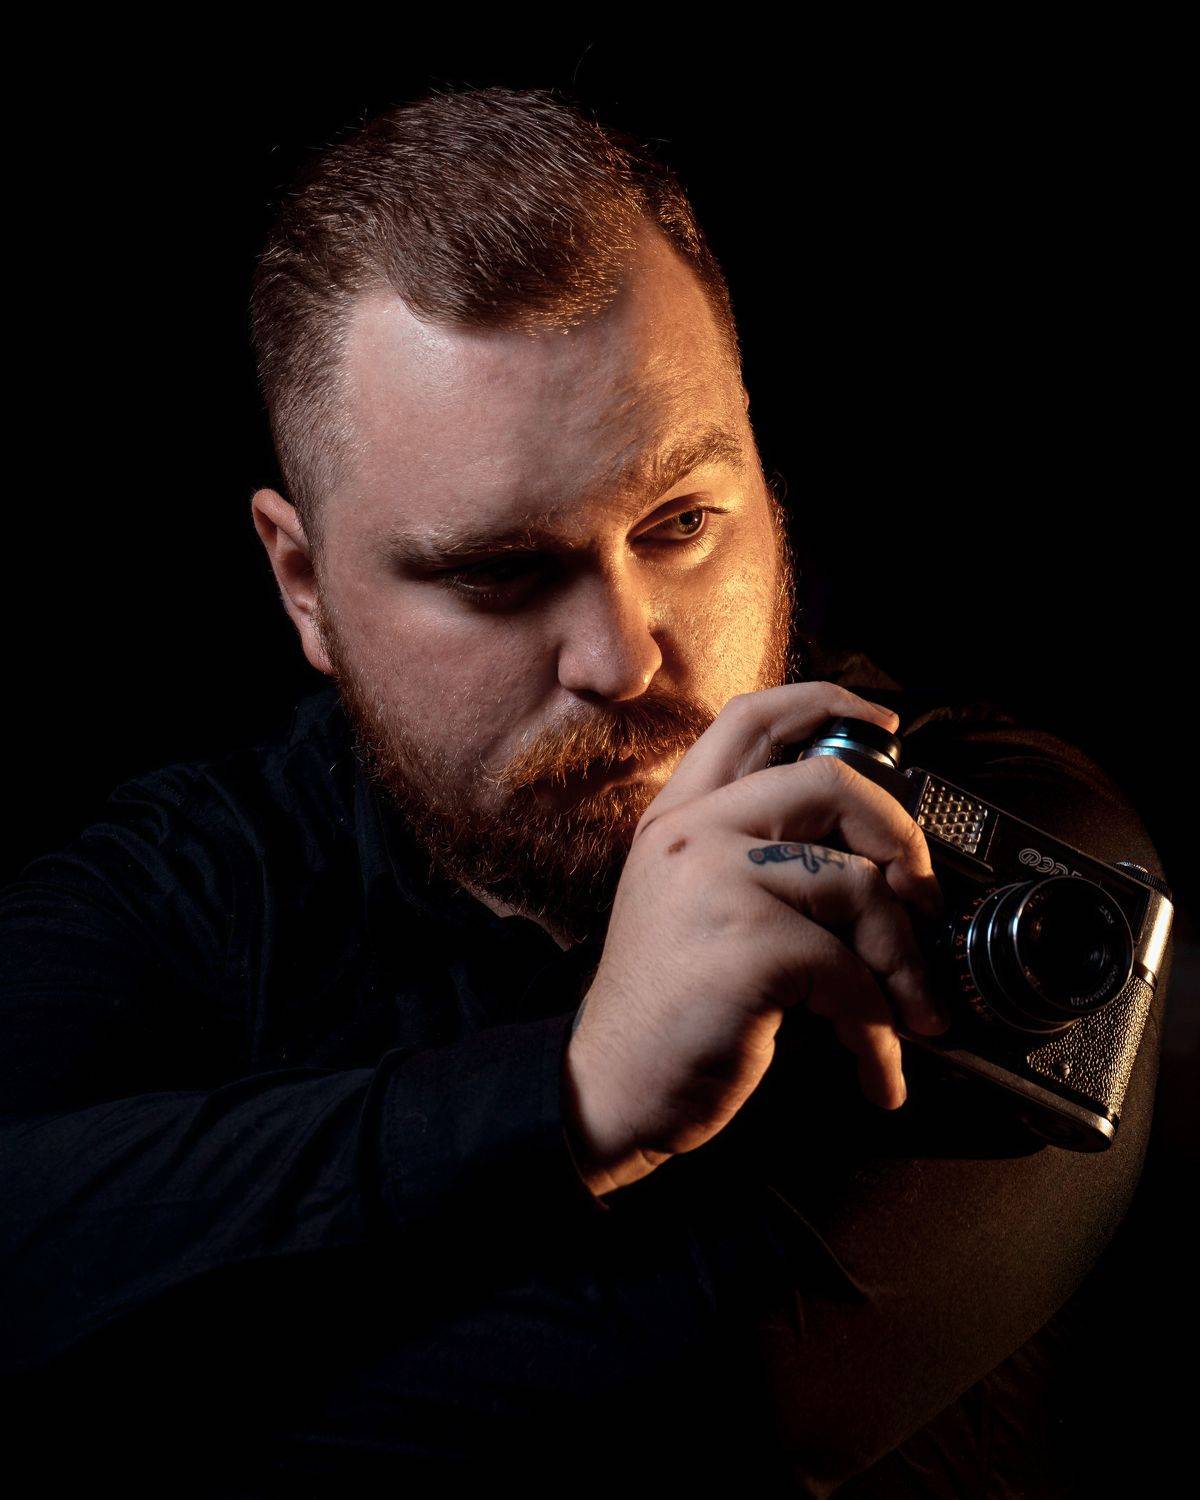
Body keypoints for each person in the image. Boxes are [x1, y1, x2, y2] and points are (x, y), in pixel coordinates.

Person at [0, 85, 1171, 1495]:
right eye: (501, 573)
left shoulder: (999, 870)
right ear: (304, 585)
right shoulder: (174, 886)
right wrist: (566, 1098)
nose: (625, 658)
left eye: (682, 522)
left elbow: (665, 1435)